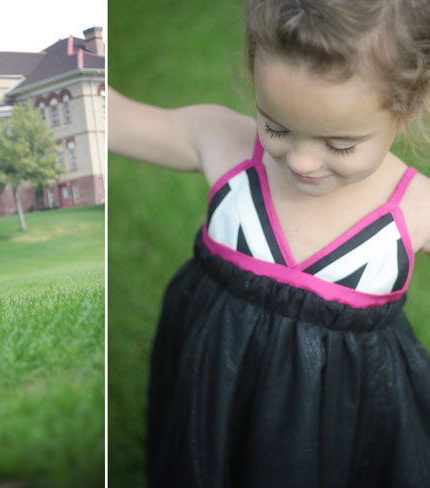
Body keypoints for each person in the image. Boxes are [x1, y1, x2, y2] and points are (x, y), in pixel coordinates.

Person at [109, 0, 430, 486]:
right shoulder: (224, 143)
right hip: (215, 391)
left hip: (344, 419)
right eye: (275, 126)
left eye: (339, 144)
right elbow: (113, 115)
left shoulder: (415, 206)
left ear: (410, 104)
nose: (300, 161)